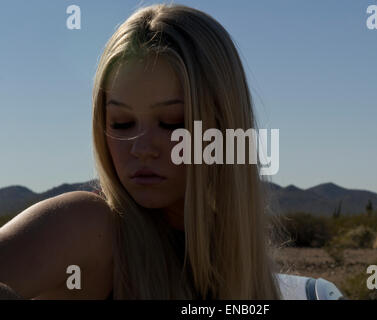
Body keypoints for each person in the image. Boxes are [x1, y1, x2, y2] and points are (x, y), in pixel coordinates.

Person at [0, 3, 343, 300]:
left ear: (223, 127)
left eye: (173, 122)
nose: (142, 148)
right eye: (121, 123)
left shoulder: (238, 267)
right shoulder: (85, 227)